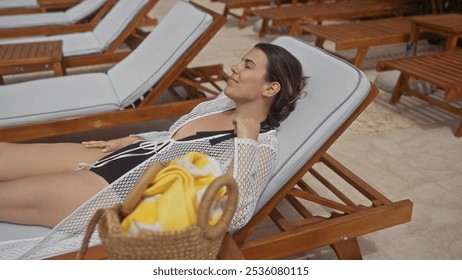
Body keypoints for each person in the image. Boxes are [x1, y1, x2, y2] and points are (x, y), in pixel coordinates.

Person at [0, 43, 307, 233]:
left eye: (248, 65)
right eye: (241, 60)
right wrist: (133, 137)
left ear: (270, 88)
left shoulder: (262, 144)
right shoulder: (218, 104)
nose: (236, 67)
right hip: (120, 155)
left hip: (115, 191)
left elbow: (235, 216)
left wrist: (246, 142)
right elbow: (172, 137)